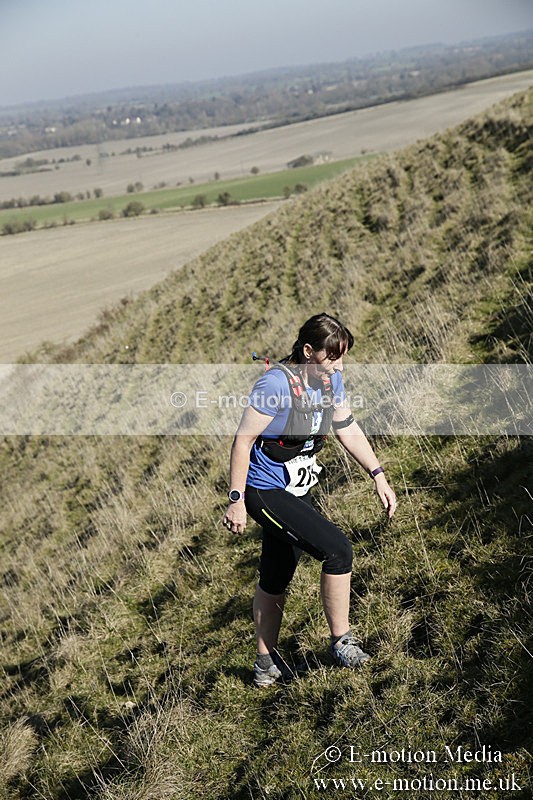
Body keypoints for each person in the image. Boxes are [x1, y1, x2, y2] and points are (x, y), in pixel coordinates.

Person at [223, 313, 396, 687]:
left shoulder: (331, 382)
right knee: (338, 551)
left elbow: (347, 428)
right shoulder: (274, 385)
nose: (338, 367)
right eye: (331, 358)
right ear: (307, 351)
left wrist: (377, 474)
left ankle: (265, 665)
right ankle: (341, 642)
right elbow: (243, 441)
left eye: (342, 358)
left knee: (275, 578)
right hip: (264, 492)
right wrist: (236, 499)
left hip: (297, 491)